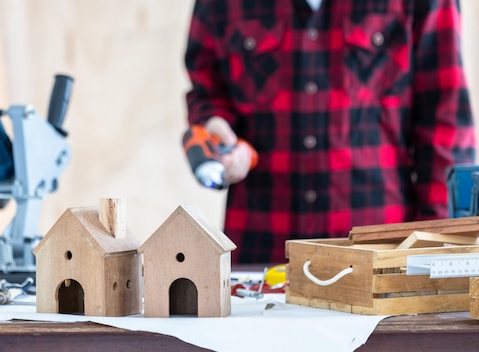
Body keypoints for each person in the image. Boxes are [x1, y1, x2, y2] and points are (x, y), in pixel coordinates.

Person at [184, 0, 476, 264]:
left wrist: (433, 247)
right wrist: (216, 128)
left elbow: (445, 122)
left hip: (382, 252)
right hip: (259, 252)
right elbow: (208, 91)